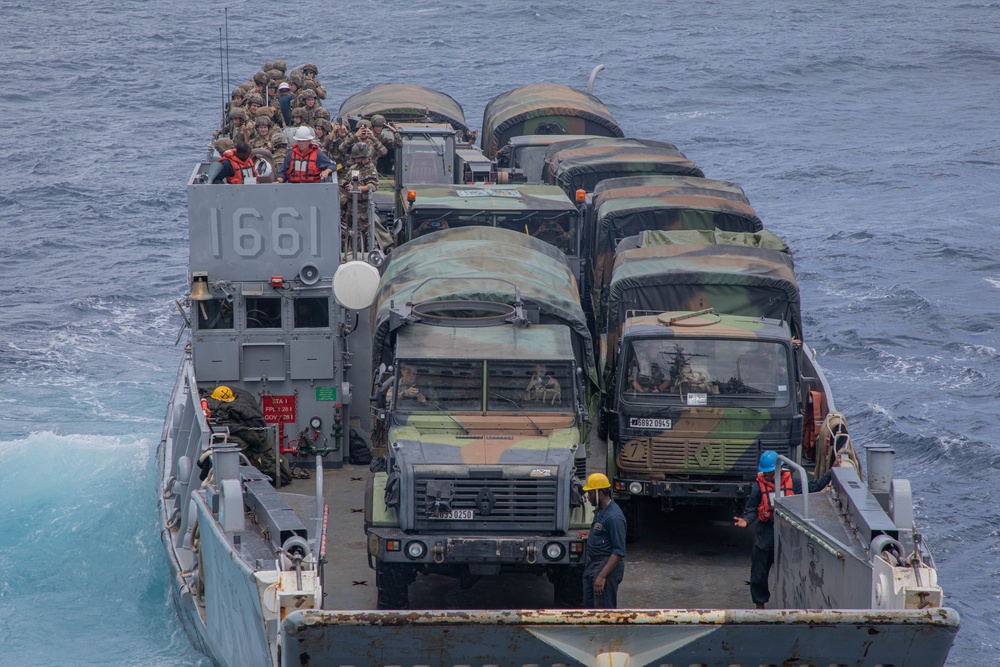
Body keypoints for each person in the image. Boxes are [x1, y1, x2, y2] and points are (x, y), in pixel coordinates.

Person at [733, 450, 832, 608]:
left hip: (788, 531)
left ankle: (793, 602)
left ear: (779, 470)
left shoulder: (793, 483)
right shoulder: (759, 487)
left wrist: (831, 473)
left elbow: (814, 487)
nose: (767, 476)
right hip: (766, 531)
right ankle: (760, 604)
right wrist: (746, 521)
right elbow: (752, 508)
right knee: (759, 569)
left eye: (770, 473)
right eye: (764, 473)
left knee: (794, 566)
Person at [577, 472, 626, 608]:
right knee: (590, 610)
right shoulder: (600, 511)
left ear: (599, 493)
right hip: (594, 565)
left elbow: (618, 551)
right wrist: (591, 536)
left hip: (606, 567)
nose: (588, 497)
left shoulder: (614, 517)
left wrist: (602, 576)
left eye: (590, 493)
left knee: (603, 612)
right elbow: (604, 534)